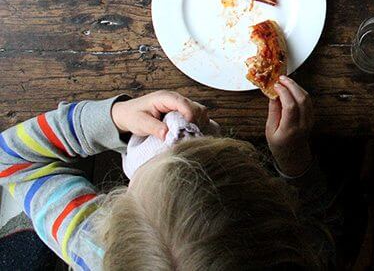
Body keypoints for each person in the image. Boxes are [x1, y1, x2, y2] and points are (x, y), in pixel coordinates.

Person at [0, 76, 335, 270]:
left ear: (112, 215)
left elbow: (12, 160)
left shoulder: (93, 247)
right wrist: (295, 165)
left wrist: (113, 118)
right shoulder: (302, 256)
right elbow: (327, 235)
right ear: (278, 205)